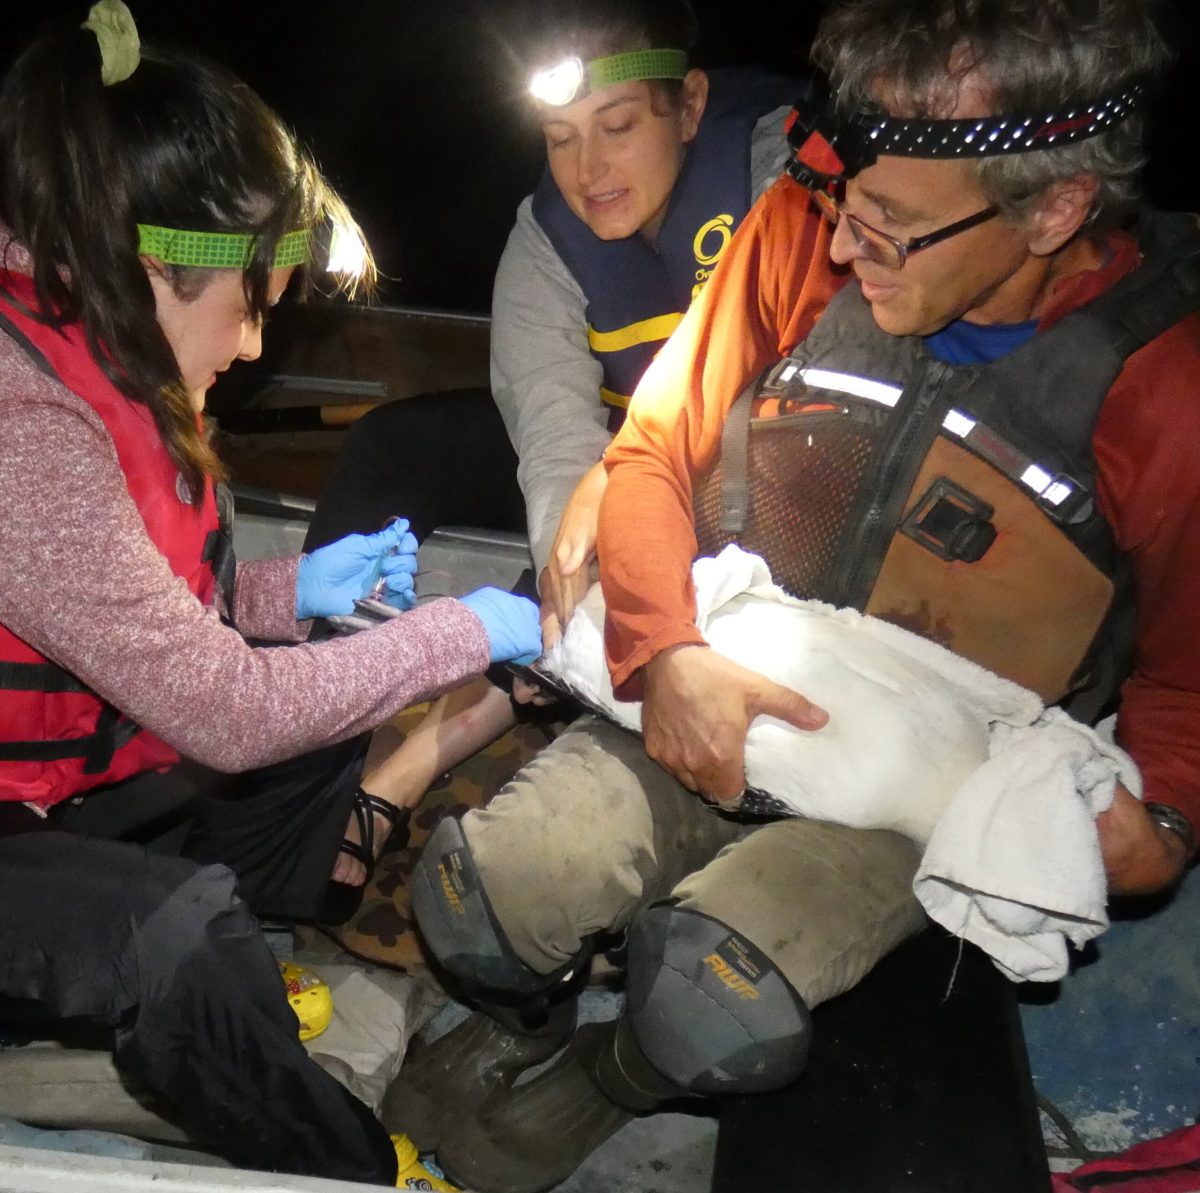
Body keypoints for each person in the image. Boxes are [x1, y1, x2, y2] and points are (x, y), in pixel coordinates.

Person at [400, 0, 1200, 1189]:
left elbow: (1184, 680)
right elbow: (651, 455)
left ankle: (614, 1074)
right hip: (725, 668)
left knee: (710, 992)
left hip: (912, 793)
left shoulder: (1164, 385)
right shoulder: (799, 224)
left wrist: (1165, 828)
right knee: (474, 893)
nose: (847, 242)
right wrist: (668, 654)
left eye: (896, 226)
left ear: (1056, 208)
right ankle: (529, 1016)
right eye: (848, 199)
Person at [0, 3, 541, 1186]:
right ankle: (359, 1165)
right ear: (151, 265)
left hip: (55, 789)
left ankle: (220, 995)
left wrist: (286, 591)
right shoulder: (21, 419)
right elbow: (226, 710)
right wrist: (467, 627)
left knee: (310, 742)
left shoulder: (99, 339)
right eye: (252, 300)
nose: (252, 346)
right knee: (176, 938)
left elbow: (113, 606)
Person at [302, 0, 806, 897]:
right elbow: (552, 437)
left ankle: (440, 748)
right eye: (560, 137)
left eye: (617, 127)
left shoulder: (780, 176)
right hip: (603, 470)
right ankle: (325, 728)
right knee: (397, 444)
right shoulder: (544, 241)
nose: (589, 169)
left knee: (697, 493)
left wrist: (619, 523)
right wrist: (571, 556)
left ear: (689, 106)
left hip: (752, 471)